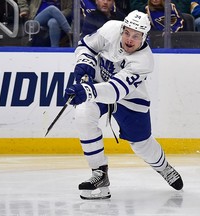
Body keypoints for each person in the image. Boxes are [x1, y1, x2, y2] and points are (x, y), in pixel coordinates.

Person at [64, 10, 183, 200]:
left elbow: (114, 91)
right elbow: (86, 45)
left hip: (130, 99)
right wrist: (84, 63)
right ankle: (99, 174)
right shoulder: (110, 29)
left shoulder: (144, 61)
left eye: (136, 36)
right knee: (83, 115)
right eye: (127, 33)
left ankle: (164, 167)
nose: (129, 39)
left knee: (142, 144)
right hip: (98, 87)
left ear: (144, 37)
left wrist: (87, 91)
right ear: (122, 29)